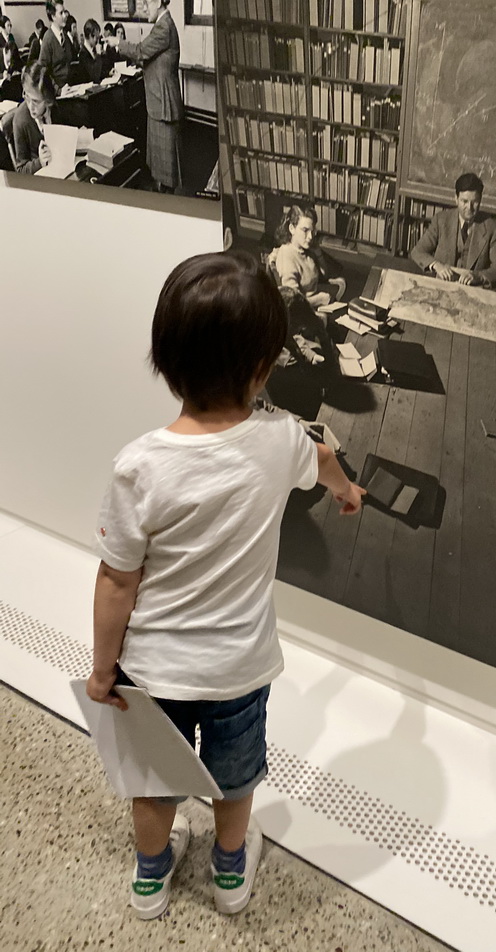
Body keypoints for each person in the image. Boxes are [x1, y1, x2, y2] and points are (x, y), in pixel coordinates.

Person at [85, 250, 365, 920]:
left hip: (152, 669)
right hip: (240, 668)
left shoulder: (139, 467)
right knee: (234, 783)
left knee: (151, 783)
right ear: (264, 367)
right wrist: (348, 489)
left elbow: (117, 582)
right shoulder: (281, 441)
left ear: (164, 359)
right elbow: (324, 460)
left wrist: (102, 673)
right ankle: (230, 873)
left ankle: (150, 877)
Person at [106, 0, 184, 192]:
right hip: (159, 104)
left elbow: (141, 51)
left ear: (158, 1)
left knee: (166, 172)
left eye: (145, 3)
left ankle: (166, 204)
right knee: (161, 169)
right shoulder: (162, 25)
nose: (143, 8)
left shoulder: (163, 27)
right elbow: (146, 56)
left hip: (163, 106)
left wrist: (117, 43)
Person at [410, 171, 496, 288]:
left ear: (480, 200)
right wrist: (436, 265)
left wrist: (479, 276)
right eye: (464, 201)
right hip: (440, 286)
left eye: (475, 202)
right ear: (456, 199)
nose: (469, 207)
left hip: (472, 290)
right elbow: (418, 251)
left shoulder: (491, 228)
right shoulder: (441, 220)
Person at [273, 205, 346, 310]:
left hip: (316, 298)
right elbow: (293, 302)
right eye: (305, 230)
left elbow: (324, 275)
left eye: (312, 231)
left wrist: (318, 253)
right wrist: (319, 299)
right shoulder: (287, 256)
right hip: (305, 311)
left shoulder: (304, 248)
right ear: (292, 228)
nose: (310, 236)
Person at [13, 63, 58, 174]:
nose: (30, 106)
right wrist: (40, 162)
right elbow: (20, 170)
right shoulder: (20, 121)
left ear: (48, 100)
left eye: (36, 101)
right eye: (27, 98)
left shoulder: (54, 107)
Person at [39, 0, 75, 91]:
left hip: (70, 90)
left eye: (65, 11)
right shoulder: (48, 39)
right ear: (53, 16)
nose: (65, 15)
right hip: (57, 96)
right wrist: (58, 90)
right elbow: (42, 71)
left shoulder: (65, 37)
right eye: (61, 13)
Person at [78, 19, 111, 84]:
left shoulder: (93, 50)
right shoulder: (83, 54)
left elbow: (99, 70)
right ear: (90, 36)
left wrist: (108, 73)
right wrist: (98, 55)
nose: (98, 41)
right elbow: (95, 75)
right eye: (97, 38)